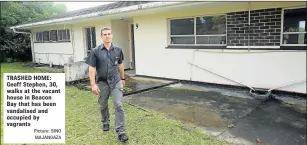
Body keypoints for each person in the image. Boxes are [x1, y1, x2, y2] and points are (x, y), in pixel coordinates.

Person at [86, 27, 128, 142]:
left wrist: (123, 78)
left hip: (116, 81)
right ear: (101, 37)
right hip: (102, 82)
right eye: (104, 34)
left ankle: (121, 131)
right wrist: (93, 85)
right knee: (103, 104)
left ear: (112, 35)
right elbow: (92, 68)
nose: (107, 36)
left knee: (118, 105)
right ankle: (105, 121)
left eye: (109, 34)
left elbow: (120, 64)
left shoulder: (118, 50)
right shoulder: (95, 51)